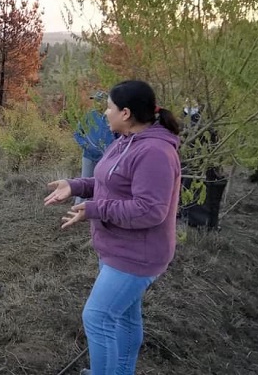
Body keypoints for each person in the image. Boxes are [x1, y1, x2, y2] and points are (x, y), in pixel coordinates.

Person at [44, 80, 181, 375]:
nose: (105, 113)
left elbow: (150, 210)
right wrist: (75, 185)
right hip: (119, 248)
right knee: (124, 318)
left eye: (109, 108)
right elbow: (110, 182)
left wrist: (94, 209)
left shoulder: (155, 152)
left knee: (97, 317)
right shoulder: (125, 140)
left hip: (138, 255)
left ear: (126, 113)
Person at [73, 91, 116, 205]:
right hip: (89, 156)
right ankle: (77, 208)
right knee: (84, 181)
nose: (97, 103)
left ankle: (99, 208)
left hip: (107, 157)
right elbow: (78, 133)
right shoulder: (89, 116)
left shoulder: (111, 116)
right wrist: (86, 145)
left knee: (104, 183)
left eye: (99, 100)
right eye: (95, 100)